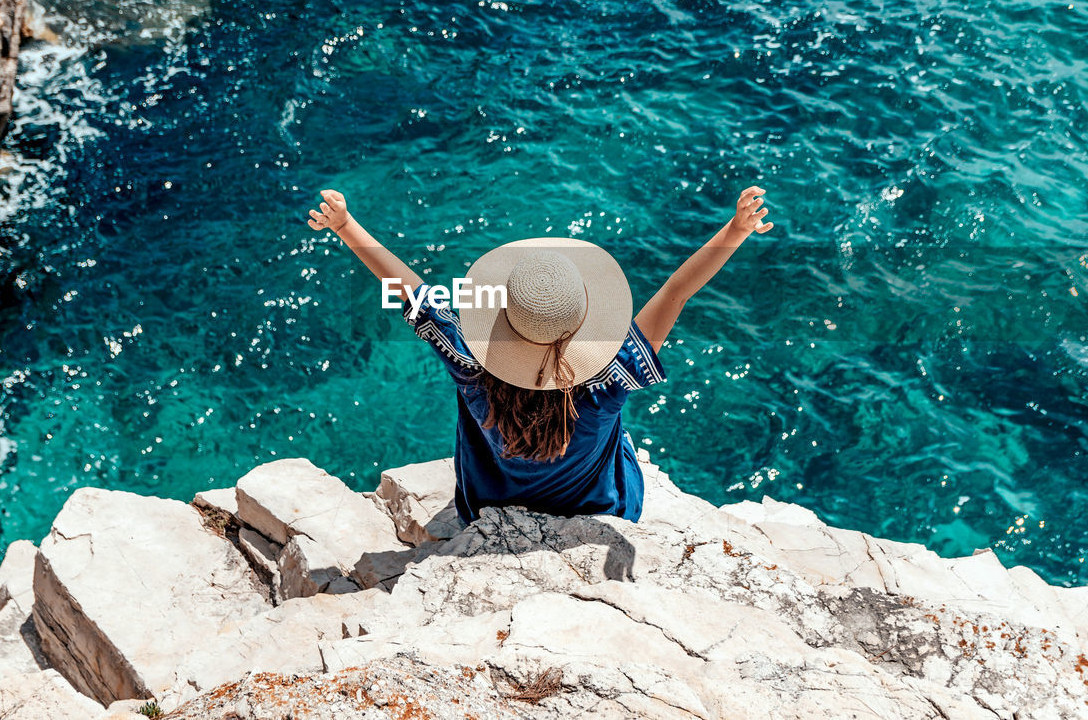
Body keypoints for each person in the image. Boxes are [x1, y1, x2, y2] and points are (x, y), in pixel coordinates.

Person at [306, 186, 773, 526]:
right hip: (600, 511)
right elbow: (676, 292)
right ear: (582, 323)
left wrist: (345, 225)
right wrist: (735, 229)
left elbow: (409, 290)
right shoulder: (610, 376)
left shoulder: (470, 363)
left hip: (486, 509)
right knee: (618, 441)